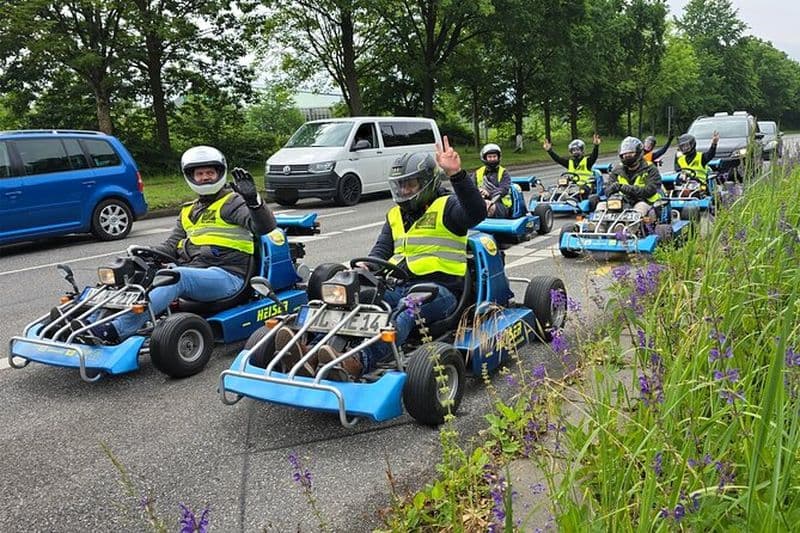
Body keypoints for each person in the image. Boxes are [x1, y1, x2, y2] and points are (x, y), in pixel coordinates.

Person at [274, 137, 487, 381]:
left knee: (405, 311)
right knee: (356, 298)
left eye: (410, 185)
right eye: (401, 185)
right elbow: (380, 252)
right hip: (401, 284)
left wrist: (457, 175)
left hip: (442, 291)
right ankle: (312, 351)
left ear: (427, 182)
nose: (404, 191)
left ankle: (357, 362)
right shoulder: (395, 214)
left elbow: (476, 213)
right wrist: (364, 269)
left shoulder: (447, 206)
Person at [79, 145, 277, 343]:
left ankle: (116, 330)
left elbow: (264, 227)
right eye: (200, 174)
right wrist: (144, 254)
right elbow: (171, 245)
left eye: (210, 172)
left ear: (220, 173)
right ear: (191, 177)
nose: (205, 177)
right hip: (195, 271)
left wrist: (254, 202)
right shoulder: (188, 211)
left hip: (228, 276)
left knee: (176, 277)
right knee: (131, 273)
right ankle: (88, 321)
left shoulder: (233, 203)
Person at [599, 136, 662, 218]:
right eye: (625, 154)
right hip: (623, 201)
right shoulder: (617, 170)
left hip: (644, 201)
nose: (627, 156)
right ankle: (598, 228)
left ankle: (631, 229)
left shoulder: (650, 168)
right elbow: (607, 191)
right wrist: (612, 188)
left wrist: (626, 188)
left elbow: (651, 190)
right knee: (601, 206)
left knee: (639, 209)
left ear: (638, 153)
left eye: (630, 153)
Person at [473, 143, 512, 218]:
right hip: (482, 203)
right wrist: (479, 191)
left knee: (489, 207)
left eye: (494, 156)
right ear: (485, 158)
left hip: (501, 205)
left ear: (498, 157)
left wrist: (489, 193)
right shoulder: (478, 173)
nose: (492, 159)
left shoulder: (503, 172)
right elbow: (470, 188)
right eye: (489, 157)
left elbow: (504, 189)